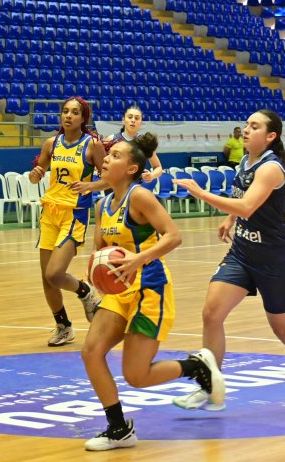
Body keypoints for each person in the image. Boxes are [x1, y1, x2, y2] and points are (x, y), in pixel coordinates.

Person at [173, 109, 285, 412]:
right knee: (211, 313)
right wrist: (228, 219)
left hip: (274, 259)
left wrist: (201, 193)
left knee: (283, 329)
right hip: (242, 253)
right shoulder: (245, 163)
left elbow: (248, 205)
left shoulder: (271, 168)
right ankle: (210, 386)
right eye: (246, 125)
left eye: (254, 126)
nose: (246, 130)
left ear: (270, 136)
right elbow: (242, 202)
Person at [81, 133, 224, 451]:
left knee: (136, 376)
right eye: (107, 154)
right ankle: (118, 428)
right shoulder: (102, 204)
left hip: (150, 289)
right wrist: (95, 277)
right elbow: (100, 252)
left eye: (115, 155)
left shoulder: (140, 197)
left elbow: (173, 236)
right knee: (91, 351)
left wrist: (139, 258)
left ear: (132, 168)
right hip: (120, 292)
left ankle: (196, 367)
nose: (106, 158)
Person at [29, 97, 105, 346]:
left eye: (74, 112)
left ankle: (85, 292)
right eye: (65, 111)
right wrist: (35, 174)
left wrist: (90, 185)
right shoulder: (51, 143)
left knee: (54, 273)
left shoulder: (92, 145)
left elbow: (111, 178)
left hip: (74, 214)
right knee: (45, 277)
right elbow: (35, 176)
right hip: (50, 212)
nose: (68, 116)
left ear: (83, 118)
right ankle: (63, 326)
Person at [100, 105, 164, 183]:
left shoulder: (144, 142)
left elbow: (158, 168)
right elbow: (101, 163)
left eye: (137, 118)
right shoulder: (111, 139)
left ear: (141, 123)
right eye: (130, 117)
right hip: (113, 186)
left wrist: (152, 175)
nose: (133, 120)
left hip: (136, 186)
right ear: (123, 120)